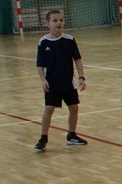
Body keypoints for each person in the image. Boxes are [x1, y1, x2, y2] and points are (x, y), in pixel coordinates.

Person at [34, 10, 88, 150]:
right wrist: (43, 80)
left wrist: (81, 77)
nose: (59, 22)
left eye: (61, 20)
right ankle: (43, 138)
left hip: (68, 82)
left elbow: (77, 59)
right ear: (48, 24)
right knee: (49, 109)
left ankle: (72, 135)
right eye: (55, 20)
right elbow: (40, 64)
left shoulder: (69, 40)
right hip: (52, 83)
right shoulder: (43, 42)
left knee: (74, 107)